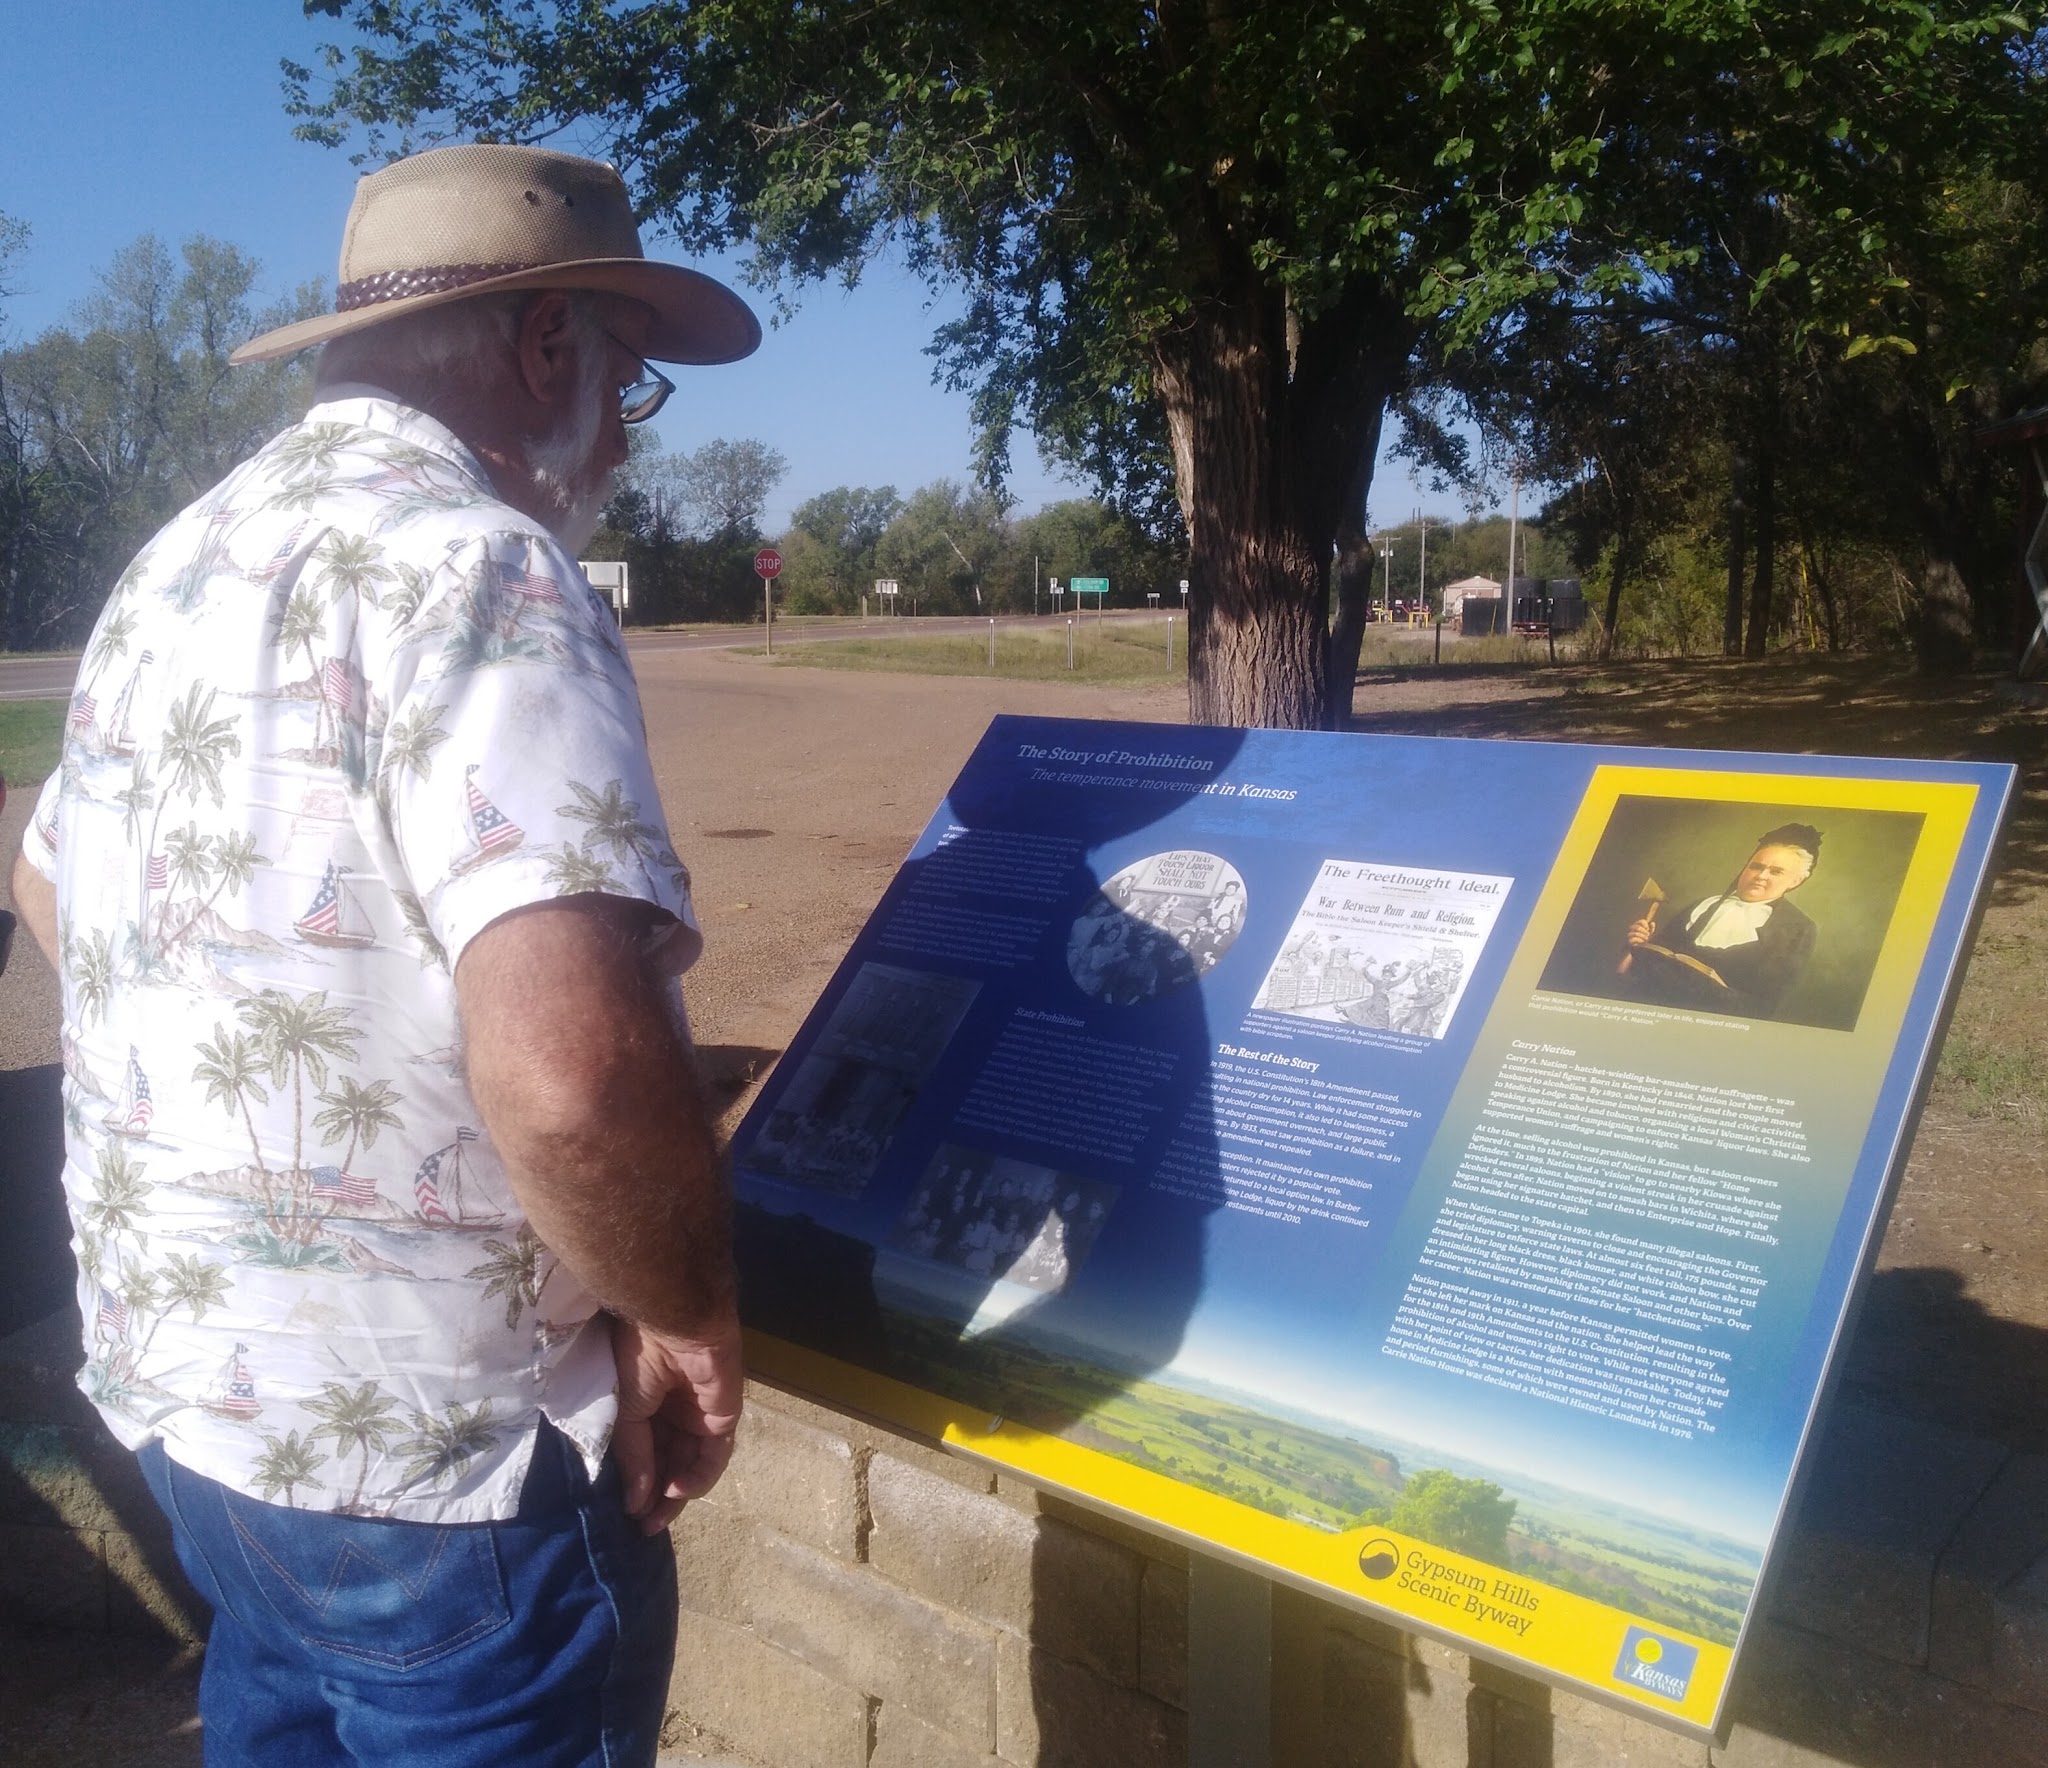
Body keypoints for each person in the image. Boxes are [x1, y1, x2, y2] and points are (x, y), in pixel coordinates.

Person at [9, 143, 762, 1767]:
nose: (625, 434)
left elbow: (47, 874)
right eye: (627, 380)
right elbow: (568, 1078)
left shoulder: (176, 564)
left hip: (198, 1407)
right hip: (448, 1462)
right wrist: (687, 1313)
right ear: (545, 344)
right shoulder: (481, 566)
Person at [1620, 823, 1822, 1019]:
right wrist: (1639, 945)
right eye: (1756, 866)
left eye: (1776, 871)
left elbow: (1763, 1007)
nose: (1761, 876)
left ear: (1796, 881)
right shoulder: (1703, 905)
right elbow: (1631, 970)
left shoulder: (1797, 929)